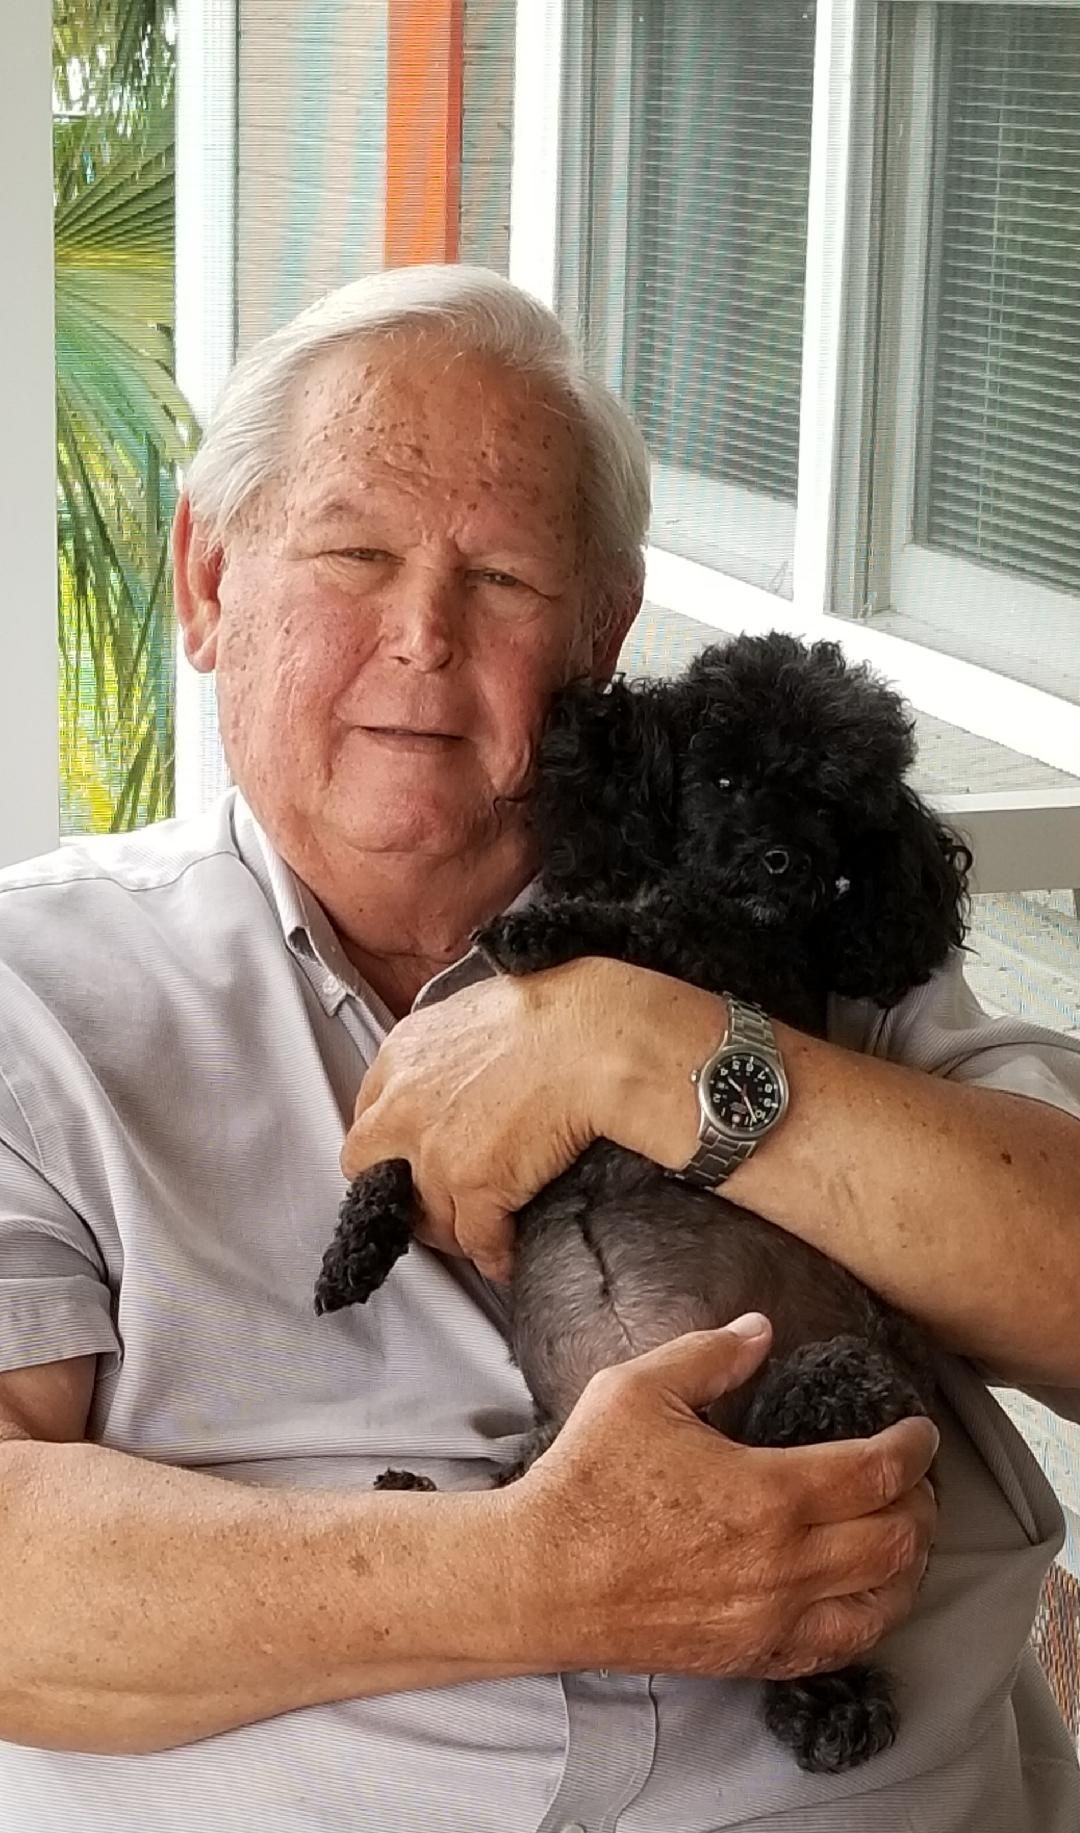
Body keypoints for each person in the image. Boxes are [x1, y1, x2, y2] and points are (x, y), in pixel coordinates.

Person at [0, 265, 1077, 1833]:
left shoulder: (789, 910)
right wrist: (532, 1577)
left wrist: (642, 1052)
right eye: (354, 552)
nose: (423, 633)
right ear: (208, 581)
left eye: (502, 577)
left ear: (603, 635)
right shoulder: (41, 992)